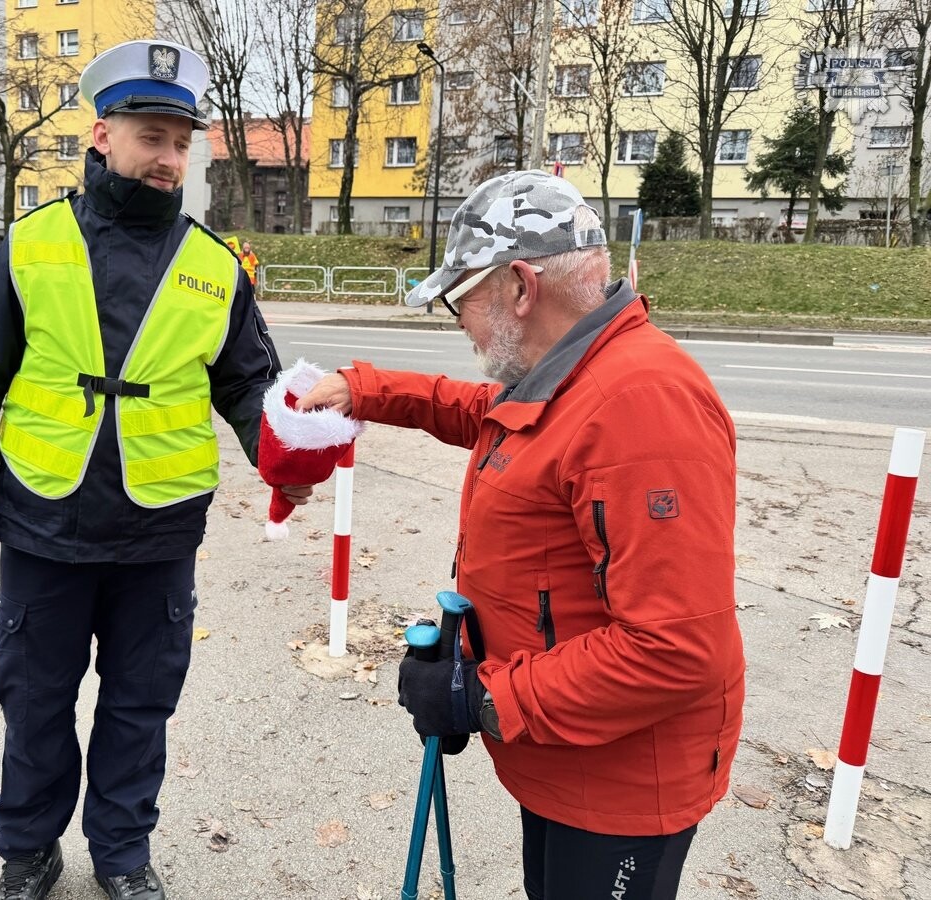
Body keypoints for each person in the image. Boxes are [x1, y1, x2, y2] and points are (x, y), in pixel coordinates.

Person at [0, 39, 311, 900]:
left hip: (158, 531)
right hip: (44, 523)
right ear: (103, 135)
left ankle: (123, 853)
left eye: (181, 142)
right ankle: (29, 850)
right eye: (151, 137)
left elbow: (250, 383)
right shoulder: (32, 245)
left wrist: (283, 456)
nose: (169, 157)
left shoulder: (214, 266)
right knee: (34, 699)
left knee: (142, 704)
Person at [297, 170, 745, 900]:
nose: (459, 323)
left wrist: (480, 697)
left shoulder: (640, 406)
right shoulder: (571, 371)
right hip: (569, 755)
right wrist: (368, 390)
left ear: (520, 288)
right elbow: (487, 413)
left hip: (622, 786)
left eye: (462, 300)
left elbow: (674, 651)